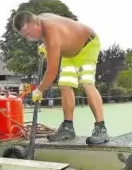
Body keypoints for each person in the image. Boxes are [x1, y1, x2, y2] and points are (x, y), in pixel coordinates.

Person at [12, 11, 109, 145]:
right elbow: (61, 35)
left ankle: (101, 128)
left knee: (86, 82)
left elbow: (51, 72)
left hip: (87, 45)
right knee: (64, 84)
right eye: (25, 36)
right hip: (69, 52)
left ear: (36, 24)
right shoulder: (41, 21)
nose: (29, 38)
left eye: (29, 33)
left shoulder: (52, 33)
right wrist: (45, 46)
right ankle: (68, 127)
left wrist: (39, 90)